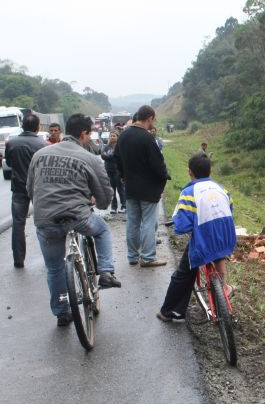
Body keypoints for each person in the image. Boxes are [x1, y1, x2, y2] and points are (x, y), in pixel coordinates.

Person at [27, 113, 122, 326]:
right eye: (89, 135)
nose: (89, 138)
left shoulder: (39, 155)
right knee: (102, 230)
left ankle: (62, 311)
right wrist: (96, 203)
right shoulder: (89, 158)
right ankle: (106, 272)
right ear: (83, 134)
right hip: (78, 217)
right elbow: (106, 198)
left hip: (45, 221)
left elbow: (30, 190)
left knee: (54, 268)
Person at [158, 153, 236, 322]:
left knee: (183, 273)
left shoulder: (188, 192)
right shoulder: (222, 189)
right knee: (218, 253)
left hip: (205, 240)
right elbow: (230, 208)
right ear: (210, 171)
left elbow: (181, 226)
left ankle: (170, 311)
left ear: (190, 172)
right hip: (227, 236)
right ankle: (224, 286)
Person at [114, 104, 170, 267]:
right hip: (148, 188)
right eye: (154, 119)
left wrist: (124, 175)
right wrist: (164, 177)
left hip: (131, 187)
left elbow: (116, 157)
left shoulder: (123, 135)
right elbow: (157, 164)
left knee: (132, 222)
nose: (155, 122)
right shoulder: (147, 138)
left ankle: (132, 256)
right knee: (148, 222)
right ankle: (148, 257)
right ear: (149, 118)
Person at [6, 113, 46, 268]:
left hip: (19, 188)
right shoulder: (42, 144)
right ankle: (48, 256)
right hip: (38, 188)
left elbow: (9, 163)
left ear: (22, 125)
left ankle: (18, 259)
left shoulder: (12, 143)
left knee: (18, 223)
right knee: (44, 222)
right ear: (38, 127)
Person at [100, 130, 126, 213]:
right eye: (111, 136)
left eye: (114, 136)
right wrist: (111, 156)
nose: (112, 137)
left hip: (118, 171)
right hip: (108, 170)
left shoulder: (120, 146)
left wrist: (110, 156)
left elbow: (117, 157)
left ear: (117, 137)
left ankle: (124, 206)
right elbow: (103, 156)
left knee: (120, 189)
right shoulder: (106, 146)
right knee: (111, 190)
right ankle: (113, 207)